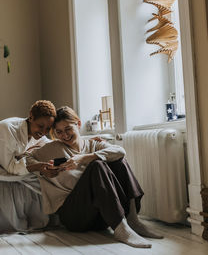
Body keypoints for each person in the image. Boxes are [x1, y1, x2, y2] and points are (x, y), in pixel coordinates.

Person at [25, 106, 163, 248]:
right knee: (97, 165)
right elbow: (26, 157)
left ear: (78, 124)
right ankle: (122, 230)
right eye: (59, 132)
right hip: (74, 217)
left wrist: (83, 158)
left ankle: (133, 220)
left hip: (100, 216)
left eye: (68, 129)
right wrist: (42, 168)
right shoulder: (53, 148)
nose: (64, 135)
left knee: (119, 161)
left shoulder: (93, 144)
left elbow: (120, 151)